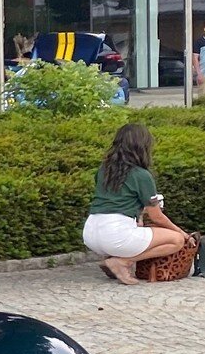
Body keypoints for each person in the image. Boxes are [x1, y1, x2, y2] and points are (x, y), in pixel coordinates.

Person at [82, 121, 193, 286]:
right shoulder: (141, 175)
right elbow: (157, 217)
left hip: (90, 234)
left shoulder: (103, 169)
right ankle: (122, 261)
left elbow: (116, 200)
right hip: (116, 235)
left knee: (136, 227)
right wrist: (183, 233)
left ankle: (111, 258)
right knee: (176, 240)